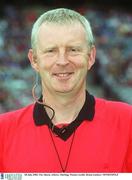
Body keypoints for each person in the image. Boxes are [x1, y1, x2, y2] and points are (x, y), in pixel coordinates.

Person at [0, 8, 132, 173]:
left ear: (91, 57)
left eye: (73, 49)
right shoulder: (3, 131)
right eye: (51, 51)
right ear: (34, 60)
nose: (62, 61)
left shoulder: (127, 123)